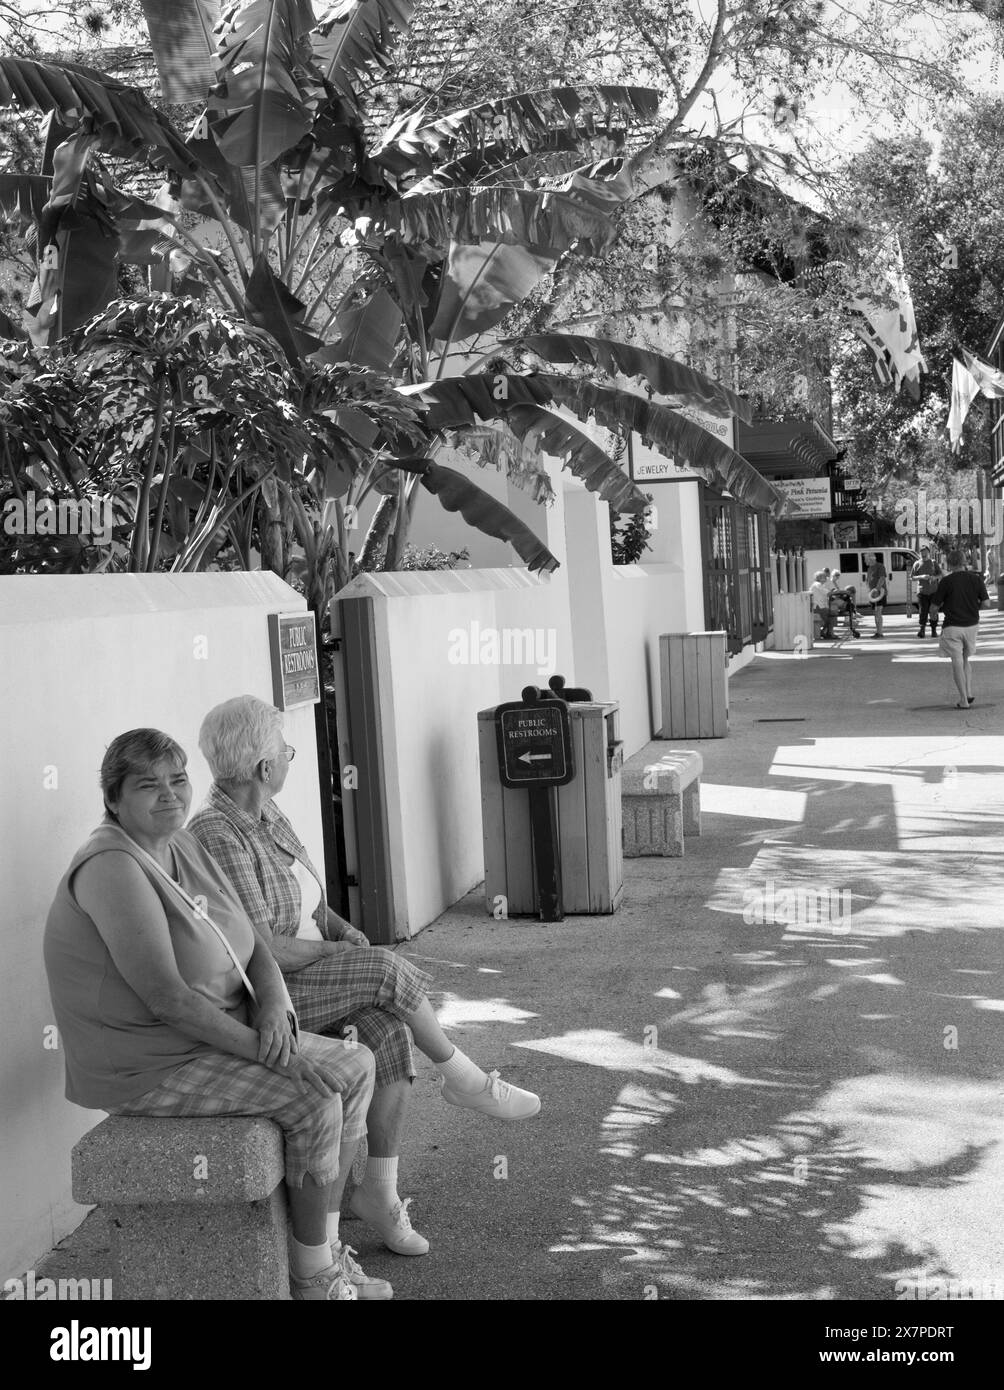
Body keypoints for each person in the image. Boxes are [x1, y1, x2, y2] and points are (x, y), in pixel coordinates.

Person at [188, 695, 541, 1260]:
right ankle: (466, 1079)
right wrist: (343, 955)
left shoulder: (264, 812)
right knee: (384, 968)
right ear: (262, 768)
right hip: (269, 991)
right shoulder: (217, 832)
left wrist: (342, 929)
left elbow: (308, 900)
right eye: (285, 751)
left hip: (308, 966)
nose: (289, 758)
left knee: (388, 1032)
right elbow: (260, 947)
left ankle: (379, 1192)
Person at [43, 729, 383, 1301]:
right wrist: (270, 1054)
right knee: (314, 1095)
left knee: (357, 1064)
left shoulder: (180, 842)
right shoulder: (112, 867)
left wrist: (276, 1011)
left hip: (213, 1032)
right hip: (145, 1060)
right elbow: (166, 999)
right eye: (148, 786)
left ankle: (320, 1253)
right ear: (113, 799)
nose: (169, 795)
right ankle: (313, 1279)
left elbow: (251, 941)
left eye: (177, 779)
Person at [931, 548, 990, 708]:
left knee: (956, 661)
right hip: (972, 625)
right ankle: (969, 692)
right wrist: (973, 607)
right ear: (965, 561)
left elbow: (934, 606)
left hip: (952, 626)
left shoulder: (946, 582)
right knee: (965, 659)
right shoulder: (976, 579)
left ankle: (963, 700)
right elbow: (986, 603)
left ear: (949, 564)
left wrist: (934, 615)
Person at [911, 546, 943, 638]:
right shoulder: (917, 563)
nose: (923, 554)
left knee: (933, 611)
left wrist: (934, 577)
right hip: (922, 592)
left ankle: (934, 630)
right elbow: (912, 577)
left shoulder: (933, 563)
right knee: (923, 611)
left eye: (925, 552)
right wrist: (922, 577)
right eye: (921, 552)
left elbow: (940, 574)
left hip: (933, 591)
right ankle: (922, 630)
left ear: (928, 553)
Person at [864, 553, 888, 638]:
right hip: (873, 594)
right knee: (875, 613)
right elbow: (868, 581)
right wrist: (869, 591)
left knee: (878, 612)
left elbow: (882, 578)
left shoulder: (880, 566)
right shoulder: (869, 568)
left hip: (879, 593)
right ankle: (878, 632)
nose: (865, 561)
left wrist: (877, 589)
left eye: (866, 559)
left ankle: (880, 633)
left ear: (871, 559)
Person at [809, 569, 834, 639]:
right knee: (831, 617)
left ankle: (824, 632)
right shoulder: (818, 584)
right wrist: (833, 593)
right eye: (824, 577)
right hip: (818, 607)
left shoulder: (817, 584)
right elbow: (826, 592)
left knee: (830, 617)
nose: (826, 578)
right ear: (819, 578)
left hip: (819, 606)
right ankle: (826, 633)